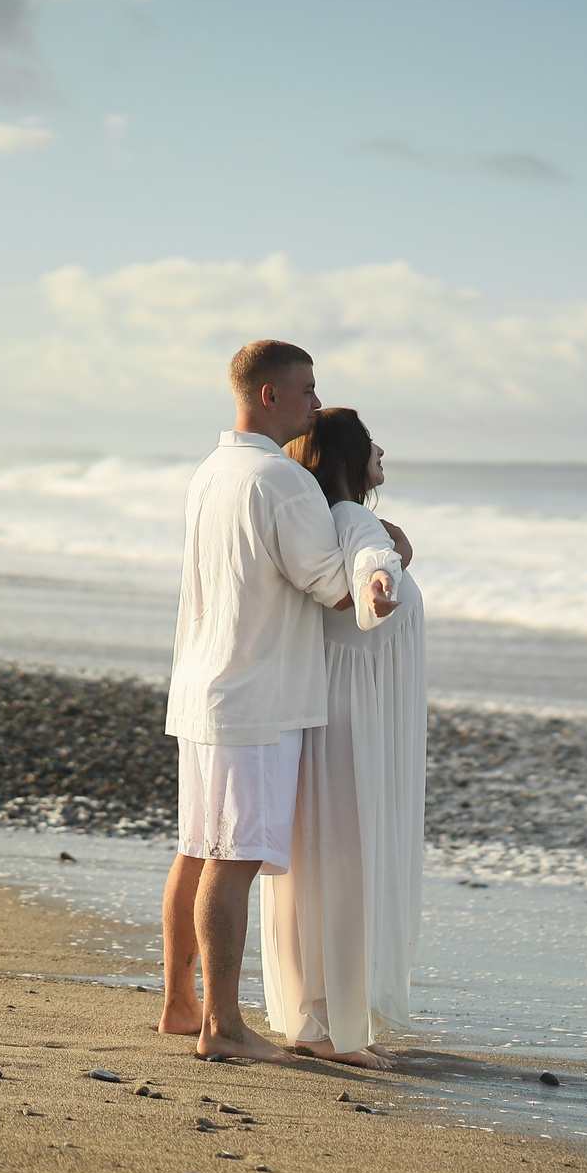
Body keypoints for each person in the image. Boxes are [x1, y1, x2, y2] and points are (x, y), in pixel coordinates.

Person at [161, 341, 400, 1064]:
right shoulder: (280, 480)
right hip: (259, 696)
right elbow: (333, 588)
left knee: (198, 851)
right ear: (269, 396)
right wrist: (385, 547)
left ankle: (180, 1003)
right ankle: (224, 1026)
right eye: (306, 391)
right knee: (232, 859)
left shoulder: (212, 471)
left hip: (204, 685)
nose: (316, 406)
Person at [260, 409, 426, 1071]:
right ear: (347, 457)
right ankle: (333, 1028)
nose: (382, 448)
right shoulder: (354, 520)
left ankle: (318, 1017)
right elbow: (371, 557)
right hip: (348, 716)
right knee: (344, 868)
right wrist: (381, 579)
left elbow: (372, 553)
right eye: (371, 441)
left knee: (313, 867)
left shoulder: (318, 523)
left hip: (321, 705)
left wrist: (386, 562)